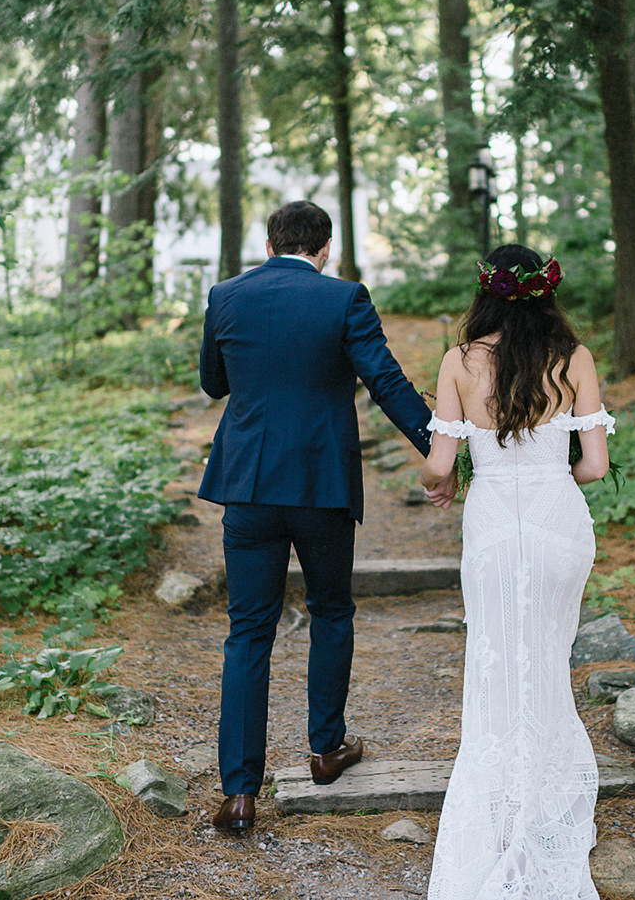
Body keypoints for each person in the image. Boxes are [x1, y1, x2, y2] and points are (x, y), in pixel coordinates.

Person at [198, 200, 448, 833]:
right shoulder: (344, 299)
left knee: (247, 630)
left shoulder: (227, 295)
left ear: (269, 242)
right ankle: (326, 749)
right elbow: (386, 381)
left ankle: (239, 793)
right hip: (321, 484)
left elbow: (213, 383)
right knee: (331, 610)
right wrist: (441, 454)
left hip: (249, 487)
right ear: (326, 247)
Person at [418, 244, 613, 900]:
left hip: (496, 524)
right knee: (549, 659)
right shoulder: (575, 357)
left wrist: (433, 483)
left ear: (488, 294)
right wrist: (550, 473)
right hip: (560, 523)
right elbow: (595, 466)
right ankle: (549, 796)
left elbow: (441, 466)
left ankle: (502, 805)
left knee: (497, 656)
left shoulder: (461, 361)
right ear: (545, 292)